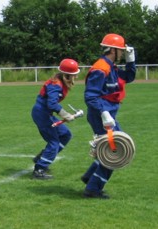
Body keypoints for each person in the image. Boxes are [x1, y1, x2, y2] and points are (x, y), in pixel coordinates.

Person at [80, 33, 136, 199]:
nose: (122, 53)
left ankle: (90, 177)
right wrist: (104, 113)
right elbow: (90, 96)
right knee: (115, 151)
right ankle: (92, 189)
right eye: (121, 50)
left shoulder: (111, 66)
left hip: (107, 116)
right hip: (102, 117)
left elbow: (129, 77)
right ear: (113, 50)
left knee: (113, 149)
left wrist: (131, 61)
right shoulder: (101, 68)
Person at [30, 59, 80, 179]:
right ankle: (39, 169)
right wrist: (65, 115)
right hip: (42, 114)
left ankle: (42, 157)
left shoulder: (59, 82)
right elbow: (52, 104)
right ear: (67, 75)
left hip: (46, 113)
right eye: (74, 75)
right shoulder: (55, 85)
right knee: (54, 142)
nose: (77, 76)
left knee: (66, 134)